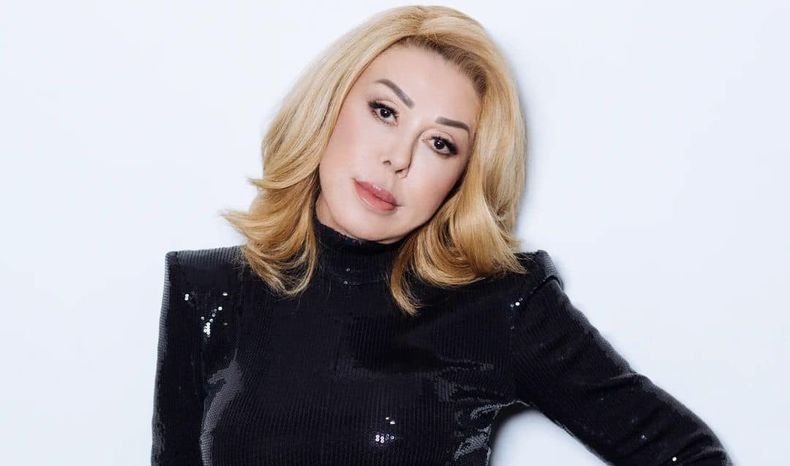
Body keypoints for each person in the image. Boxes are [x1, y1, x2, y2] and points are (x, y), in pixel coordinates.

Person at [150, 5, 732, 466]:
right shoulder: (209, 288)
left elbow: (686, 455)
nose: (398, 158)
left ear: (461, 178)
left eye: (440, 143)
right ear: (329, 106)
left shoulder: (501, 306)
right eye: (385, 111)